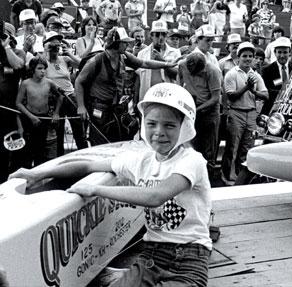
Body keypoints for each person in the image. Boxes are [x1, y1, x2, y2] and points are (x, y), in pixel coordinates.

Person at [9, 82, 212, 287]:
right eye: (152, 124)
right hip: (151, 255)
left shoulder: (191, 161)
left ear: (184, 128)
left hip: (189, 256)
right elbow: (88, 166)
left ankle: (119, 276)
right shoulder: (141, 161)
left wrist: (97, 189)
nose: (159, 132)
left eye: (169, 125)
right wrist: (37, 173)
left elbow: (155, 196)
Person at [75, 27, 177, 146]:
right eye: (124, 43)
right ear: (116, 43)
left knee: (120, 138)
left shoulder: (123, 56)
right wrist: (81, 106)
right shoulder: (96, 61)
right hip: (99, 107)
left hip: (116, 107)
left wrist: (166, 64)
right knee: (100, 142)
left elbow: (144, 63)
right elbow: (79, 81)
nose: (127, 45)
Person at [221, 42, 268, 185]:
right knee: (232, 146)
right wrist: (247, 87)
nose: (247, 59)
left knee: (247, 147)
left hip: (251, 113)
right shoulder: (232, 74)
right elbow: (231, 96)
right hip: (236, 112)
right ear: (238, 57)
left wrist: (254, 91)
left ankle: (241, 178)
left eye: (250, 56)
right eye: (244, 56)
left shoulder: (256, 75)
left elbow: (265, 95)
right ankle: (227, 175)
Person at [43, 31, 87, 157]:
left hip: (70, 96)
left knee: (79, 131)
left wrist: (69, 53)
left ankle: (82, 157)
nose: (55, 48)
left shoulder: (64, 59)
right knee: (59, 132)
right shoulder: (42, 61)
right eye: (52, 45)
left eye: (58, 45)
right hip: (55, 99)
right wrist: (47, 52)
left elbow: (84, 65)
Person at [178, 52, 221, 177]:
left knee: (209, 148)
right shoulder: (182, 65)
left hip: (209, 112)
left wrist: (198, 109)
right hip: (191, 108)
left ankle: (208, 177)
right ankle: (192, 176)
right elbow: (179, 85)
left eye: (197, 73)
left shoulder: (213, 71)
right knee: (191, 145)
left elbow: (215, 98)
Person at [15, 56, 63, 167]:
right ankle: (26, 171)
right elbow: (18, 103)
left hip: (44, 118)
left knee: (40, 147)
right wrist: (31, 116)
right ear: (32, 69)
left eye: (44, 68)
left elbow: (60, 97)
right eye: (39, 68)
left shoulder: (49, 83)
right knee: (28, 148)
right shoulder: (26, 84)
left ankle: (38, 172)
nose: (43, 71)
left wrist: (56, 113)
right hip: (29, 118)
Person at [0, 22, 26, 183]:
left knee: (8, 152)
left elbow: (18, 65)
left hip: (9, 113)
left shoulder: (17, 52)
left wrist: (6, 46)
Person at [136, 20, 180, 102]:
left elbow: (177, 75)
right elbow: (138, 79)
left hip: (168, 98)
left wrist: (162, 61)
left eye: (163, 34)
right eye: (157, 34)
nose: (161, 37)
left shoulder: (175, 53)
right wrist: (136, 101)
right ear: (151, 36)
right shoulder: (142, 54)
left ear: (167, 36)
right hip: (147, 98)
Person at [261, 37, 292, 116]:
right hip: (271, 109)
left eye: (285, 52)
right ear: (274, 53)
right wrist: (285, 93)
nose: (282, 56)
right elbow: (267, 90)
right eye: (279, 52)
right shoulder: (267, 70)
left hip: (290, 110)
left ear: (290, 52)